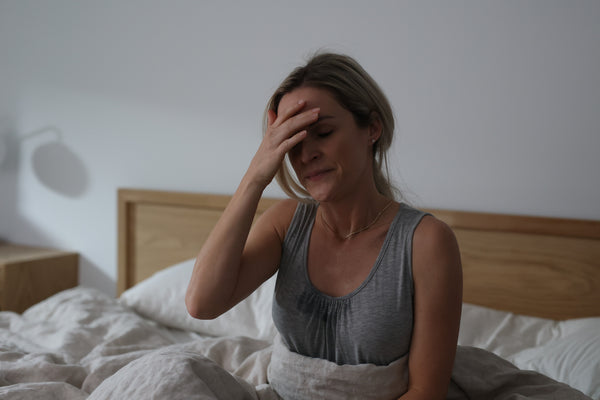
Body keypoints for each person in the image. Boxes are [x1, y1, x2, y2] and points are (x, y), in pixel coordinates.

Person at [185, 52, 463, 399]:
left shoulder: (426, 242)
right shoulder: (287, 222)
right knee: (173, 374)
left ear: (372, 128)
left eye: (324, 132)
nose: (305, 155)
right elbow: (202, 304)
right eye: (293, 143)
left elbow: (425, 391)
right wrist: (255, 176)